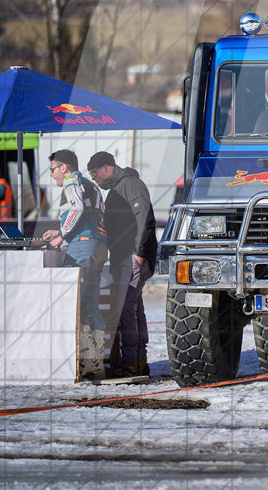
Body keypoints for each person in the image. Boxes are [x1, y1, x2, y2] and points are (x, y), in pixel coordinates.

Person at [87, 151, 158, 378]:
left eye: (94, 173)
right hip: (124, 256)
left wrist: (138, 252)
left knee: (127, 309)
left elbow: (143, 217)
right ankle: (138, 362)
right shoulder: (117, 189)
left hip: (131, 256)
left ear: (106, 168)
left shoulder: (130, 184)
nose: (94, 178)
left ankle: (131, 364)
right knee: (134, 308)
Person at [41, 149, 108, 381]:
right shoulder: (91, 185)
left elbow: (77, 207)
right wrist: (61, 230)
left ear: (64, 168)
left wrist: (62, 236)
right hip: (98, 244)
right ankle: (97, 360)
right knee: (91, 302)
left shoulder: (71, 180)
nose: (51, 174)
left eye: (52, 169)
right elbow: (86, 211)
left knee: (79, 304)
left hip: (83, 245)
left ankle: (91, 363)